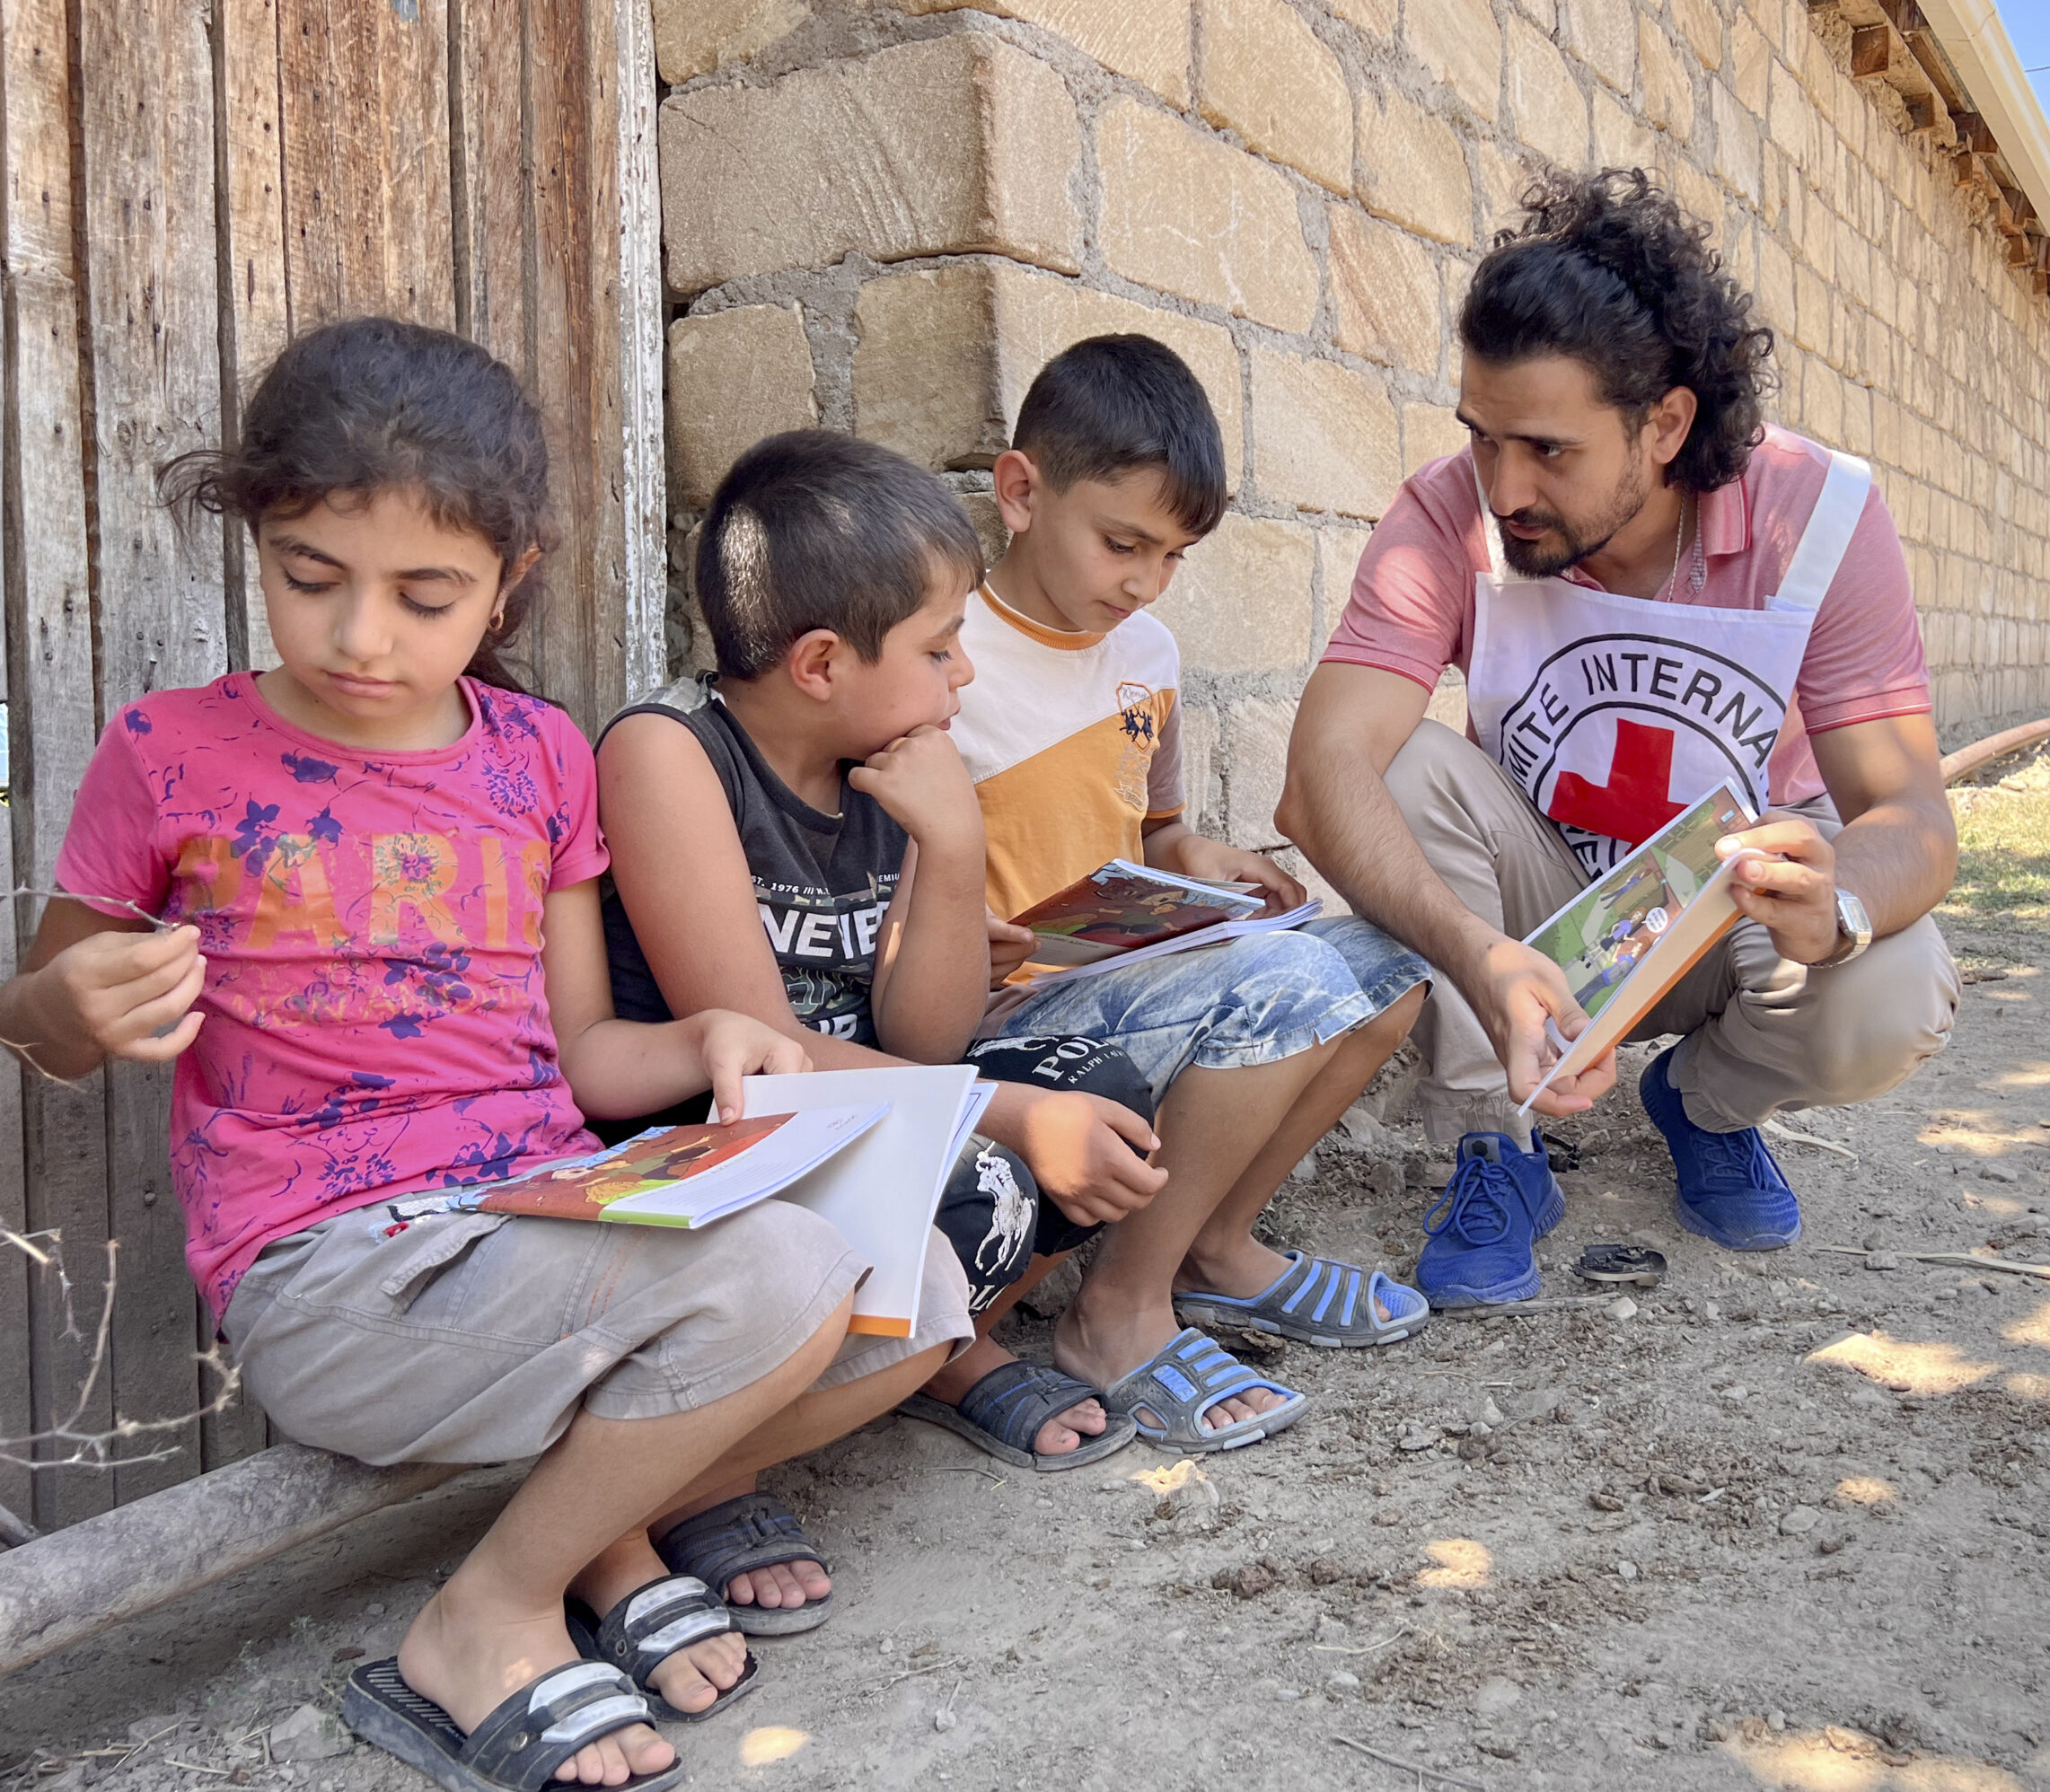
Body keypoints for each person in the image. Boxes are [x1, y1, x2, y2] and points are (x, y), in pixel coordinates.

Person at [0, 319, 977, 1792]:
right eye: (309, 576)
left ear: (509, 579)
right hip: (331, 1268)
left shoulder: (535, 757)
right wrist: (68, 1010)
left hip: (546, 1215)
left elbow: (583, 1058)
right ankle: (490, 1616)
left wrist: (709, 1038)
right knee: (779, 1277)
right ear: (258, 540)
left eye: (425, 595)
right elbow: (37, 1021)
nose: (360, 636)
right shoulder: (170, 753)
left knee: (922, 1287)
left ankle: (598, 1530)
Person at [1280, 168, 1959, 1299]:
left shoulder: (1819, 518)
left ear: (1666, 424)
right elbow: (1319, 775)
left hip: (1727, 912)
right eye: (1481, 437)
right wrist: (1475, 955)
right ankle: (1496, 1138)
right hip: (1538, 912)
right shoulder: (1447, 511)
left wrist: (1834, 901)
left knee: (1891, 979)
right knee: (1394, 763)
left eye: (1548, 449)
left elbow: (1915, 816)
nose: (1503, 486)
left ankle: (1703, 1103)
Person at [598, 431, 1162, 1480]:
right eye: (940, 648)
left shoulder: (884, 761)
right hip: (716, 1137)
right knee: (991, 1172)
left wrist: (951, 846)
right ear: (820, 664)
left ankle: (934, 1349)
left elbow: (925, 1038)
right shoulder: (670, 754)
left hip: (865, 1101)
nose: (965, 672)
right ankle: (706, 1465)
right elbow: (764, 1062)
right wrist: (1007, 1114)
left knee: (1101, 1089)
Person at [953, 335, 1433, 1454]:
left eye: (1173, 556)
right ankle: (1115, 1310)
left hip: (1116, 966)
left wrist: (1199, 858)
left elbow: (1152, 827)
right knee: (1288, 985)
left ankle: (1213, 1245)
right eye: (1123, 543)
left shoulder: (1148, 654)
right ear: (1020, 492)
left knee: (1387, 970)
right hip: (1002, 1008)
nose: (1144, 581)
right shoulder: (946, 655)